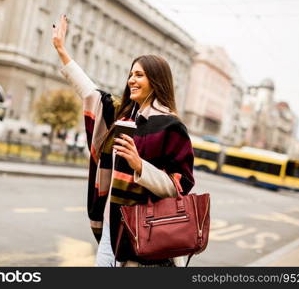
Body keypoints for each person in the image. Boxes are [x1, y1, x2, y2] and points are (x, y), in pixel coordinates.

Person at [52, 15, 195, 267]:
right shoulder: (122, 117)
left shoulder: (171, 126)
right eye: (131, 74)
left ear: (156, 80)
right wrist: (62, 51)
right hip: (111, 226)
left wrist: (140, 166)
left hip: (143, 232)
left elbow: (180, 185)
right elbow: (90, 93)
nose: (131, 80)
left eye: (139, 75)